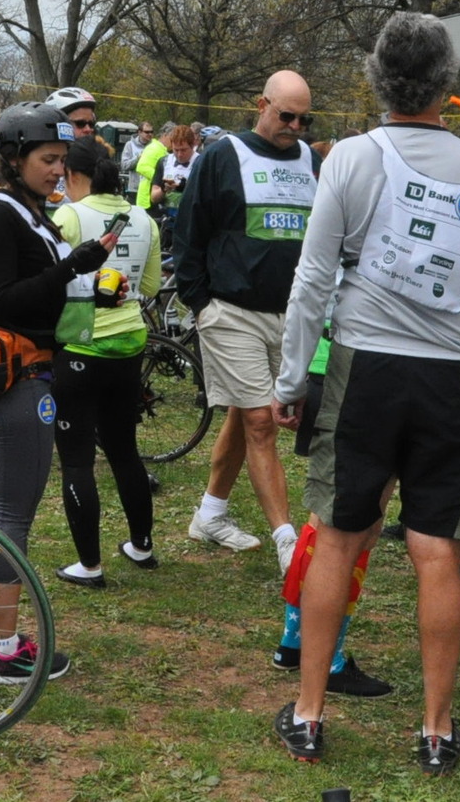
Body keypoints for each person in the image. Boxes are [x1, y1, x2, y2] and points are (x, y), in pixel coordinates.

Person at [271, 13, 460, 775]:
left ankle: (310, 711)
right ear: (447, 83)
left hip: (364, 369)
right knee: (434, 551)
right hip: (448, 374)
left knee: (339, 533)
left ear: (377, 79)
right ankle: (435, 727)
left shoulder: (349, 157)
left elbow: (312, 277)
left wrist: (292, 378)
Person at [0, 101, 110, 683]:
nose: (58, 170)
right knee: (12, 512)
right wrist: (74, 269)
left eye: (63, 160)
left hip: (25, 369)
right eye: (47, 159)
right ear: (14, 158)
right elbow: (6, 300)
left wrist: (91, 287)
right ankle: (4, 644)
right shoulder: (0, 214)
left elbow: (36, 293)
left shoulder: (31, 212)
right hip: (16, 375)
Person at [176, 71, 321, 569]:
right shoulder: (222, 155)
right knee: (262, 420)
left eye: (304, 118)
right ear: (261, 104)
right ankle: (287, 539)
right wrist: (201, 303)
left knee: (245, 412)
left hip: (291, 314)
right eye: (286, 115)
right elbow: (189, 227)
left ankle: (210, 514)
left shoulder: (310, 160)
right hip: (231, 310)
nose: (295, 126)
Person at [48, 135, 160, 587]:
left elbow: (50, 281)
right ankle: (141, 545)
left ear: (76, 176)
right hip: (130, 344)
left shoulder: (69, 215)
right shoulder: (144, 218)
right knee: (123, 449)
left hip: (80, 345)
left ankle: (89, 566)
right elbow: (150, 285)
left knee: (76, 459)